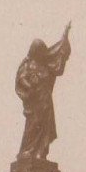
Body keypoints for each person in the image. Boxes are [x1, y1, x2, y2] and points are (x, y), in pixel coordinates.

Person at [15, 22, 72, 160]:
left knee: (44, 128)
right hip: (34, 103)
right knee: (33, 127)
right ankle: (27, 151)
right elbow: (21, 79)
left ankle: (40, 152)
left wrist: (65, 37)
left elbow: (57, 61)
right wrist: (30, 85)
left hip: (46, 103)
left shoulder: (46, 66)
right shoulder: (27, 64)